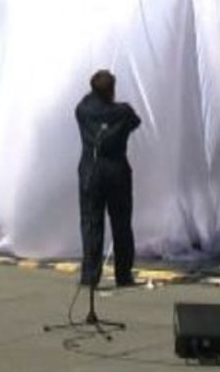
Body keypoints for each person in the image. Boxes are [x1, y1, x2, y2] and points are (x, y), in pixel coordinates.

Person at [75, 70, 141, 288]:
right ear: (111, 90)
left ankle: (90, 276)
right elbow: (135, 121)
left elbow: (83, 103)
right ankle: (123, 274)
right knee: (121, 224)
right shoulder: (122, 113)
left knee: (91, 223)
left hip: (90, 172)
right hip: (116, 172)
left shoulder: (83, 110)